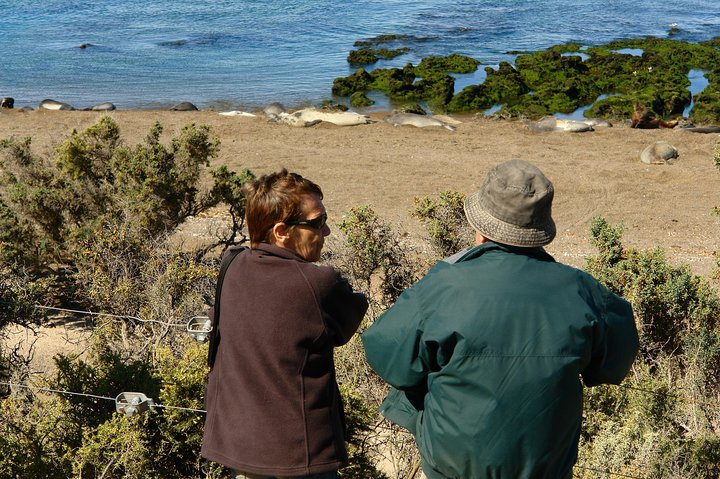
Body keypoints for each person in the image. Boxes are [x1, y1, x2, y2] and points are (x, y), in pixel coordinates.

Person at [361, 159, 639, 479]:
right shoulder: (581, 289)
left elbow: (385, 353)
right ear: (539, 232)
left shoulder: (445, 285)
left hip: (453, 469)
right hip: (547, 468)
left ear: (480, 228)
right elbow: (614, 363)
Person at [201, 169, 369, 479]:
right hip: (301, 457)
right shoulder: (318, 282)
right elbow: (350, 316)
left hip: (242, 450)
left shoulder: (233, 266)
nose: (327, 231)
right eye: (317, 223)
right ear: (281, 231)